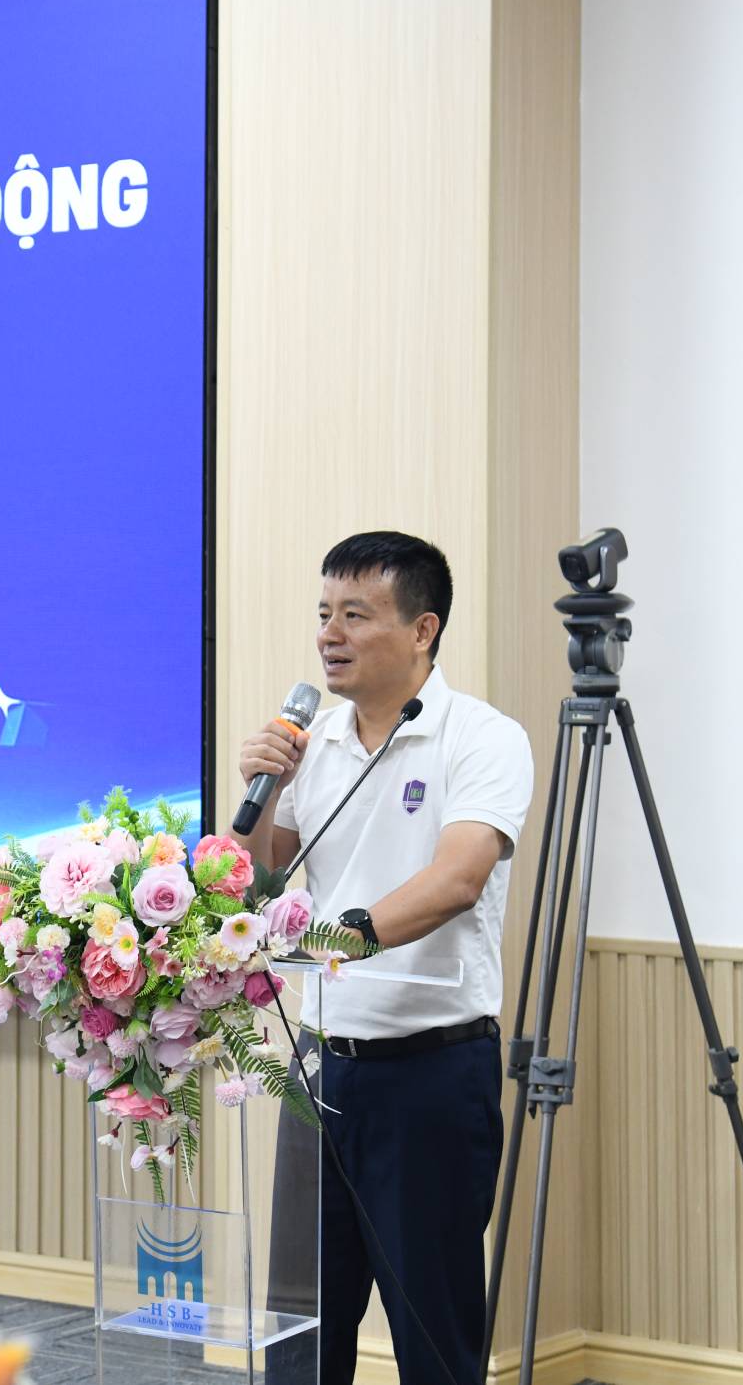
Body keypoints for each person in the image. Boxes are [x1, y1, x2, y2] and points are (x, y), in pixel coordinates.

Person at [236, 531, 534, 1385]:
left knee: (432, 1334)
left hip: (430, 1075)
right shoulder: (314, 744)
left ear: (422, 629)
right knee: (299, 1330)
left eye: (356, 616)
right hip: (320, 1069)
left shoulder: (480, 737)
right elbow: (261, 882)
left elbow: (457, 879)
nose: (330, 634)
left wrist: (332, 943)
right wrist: (261, 792)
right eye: (324, 613)